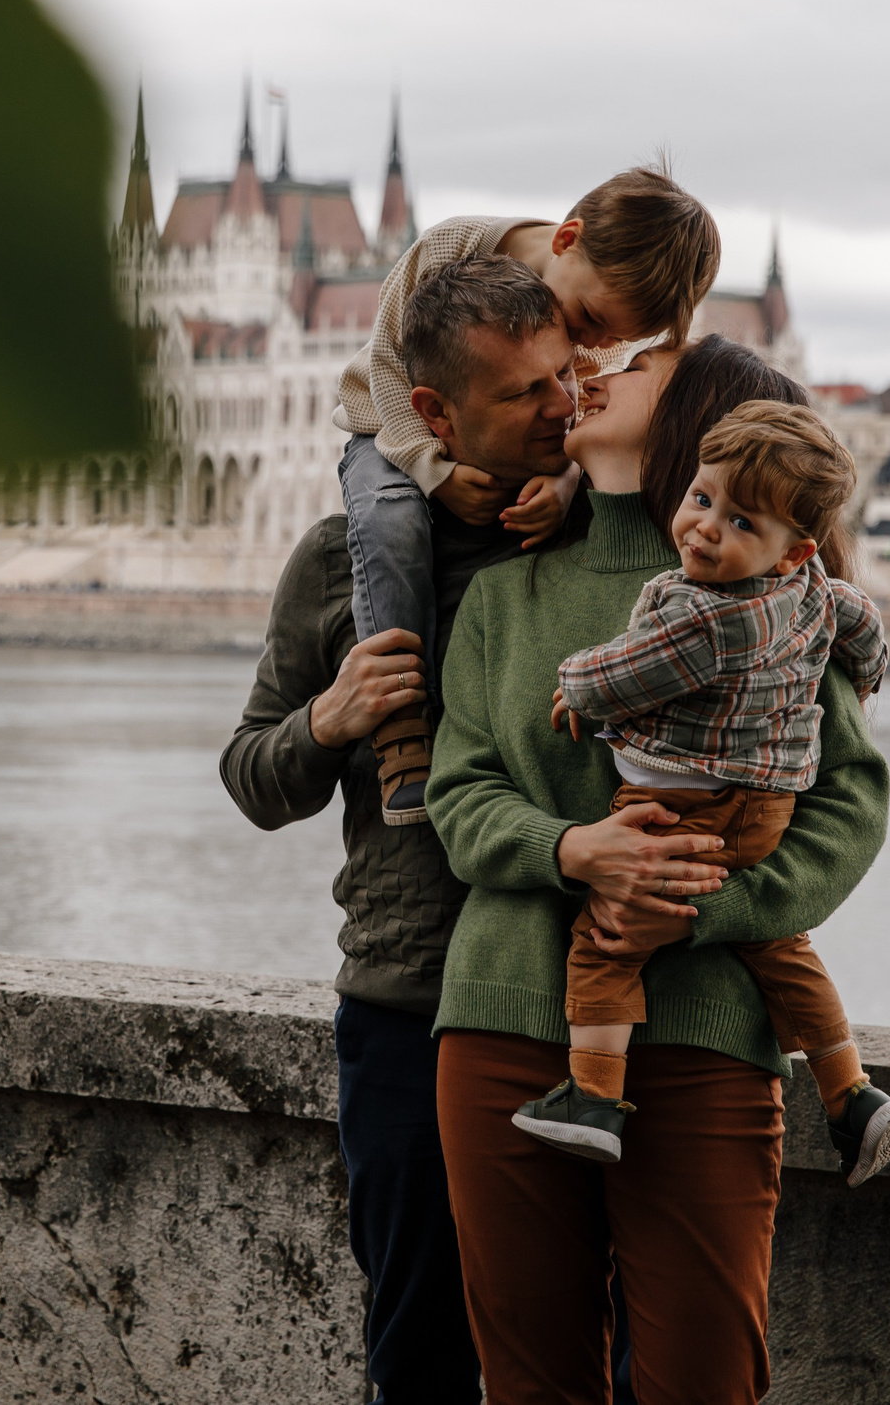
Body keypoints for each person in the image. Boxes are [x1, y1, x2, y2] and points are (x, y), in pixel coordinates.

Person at [427, 335, 890, 1404]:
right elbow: (457, 792)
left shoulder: (774, 598)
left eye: (637, 362)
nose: (591, 370)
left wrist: (698, 908)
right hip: (499, 1017)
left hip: (705, 1029)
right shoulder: (501, 594)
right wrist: (570, 849)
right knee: (529, 1384)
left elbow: (847, 810)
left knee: (703, 1379)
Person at [220, 255, 582, 1405]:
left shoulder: (593, 538)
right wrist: (330, 721)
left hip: (578, 1004)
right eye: (524, 392)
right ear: (432, 414)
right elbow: (251, 777)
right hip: (405, 1001)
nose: (560, 408)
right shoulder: (340, 563)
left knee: (578, 1351)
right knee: (415, 1346)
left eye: (564, 377)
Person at [515, 397, 890, 1189]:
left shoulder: (707, 621)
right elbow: (860, 616)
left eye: (739, 524)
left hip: (681, 805)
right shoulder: (812, 594)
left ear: (792, 550)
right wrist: (866, 673)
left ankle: (594, 1095)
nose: (705, 528)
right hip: (763, 808)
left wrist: (576, 689)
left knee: (609, 934)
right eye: (703, 501)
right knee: (779, 945)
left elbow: (624, 671)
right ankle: (852, 1093)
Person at [332, 167, 723, 827]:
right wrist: (433, 470)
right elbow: (387, 373)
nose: (592, 346)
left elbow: (580, 419)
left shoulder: (600, 326)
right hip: (385, 425)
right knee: (390, 520)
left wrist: (568, 476)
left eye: (613, 341)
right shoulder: (451, 247)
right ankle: (400, 727)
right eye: (593, 320)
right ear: (567, 238)